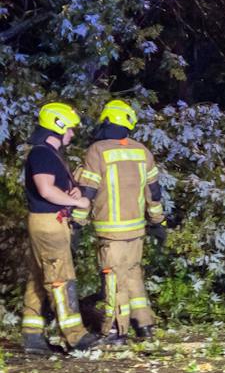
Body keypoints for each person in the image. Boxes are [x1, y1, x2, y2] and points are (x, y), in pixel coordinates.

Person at [72, 99, 167, 343]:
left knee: (113, 280)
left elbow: (88, 191)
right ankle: (144, 327)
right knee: (133, 275)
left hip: (110, 232)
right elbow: (153, 193)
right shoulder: (141, 151)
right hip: (137, 230)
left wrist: (76, 224)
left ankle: (114, 331)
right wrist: (158, 222)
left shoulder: (98, 150)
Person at [20, 101, 97, 355]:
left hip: (48, 222)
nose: (73, 134)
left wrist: (70, 190)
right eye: (71, 129)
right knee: (60, 279)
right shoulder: (42, 153)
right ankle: (76, 337)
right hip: (49, 224)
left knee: (38, 279)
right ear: (58, 126)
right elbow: (45, 189)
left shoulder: (49, 154)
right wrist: (78, 200)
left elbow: (54, 187)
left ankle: (33, 337)